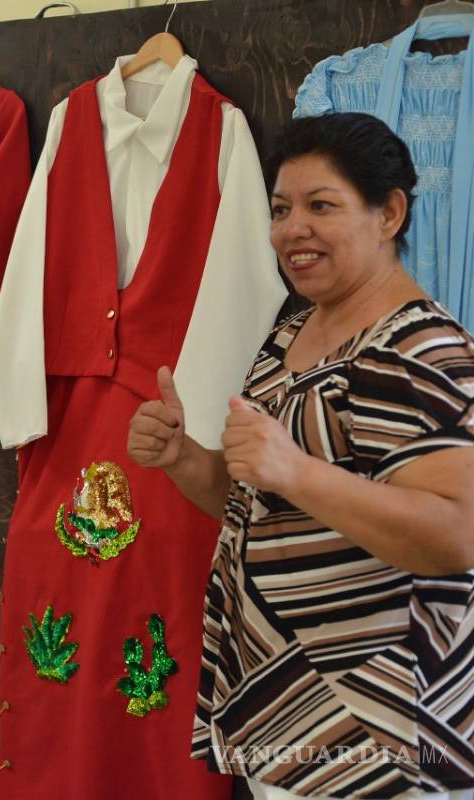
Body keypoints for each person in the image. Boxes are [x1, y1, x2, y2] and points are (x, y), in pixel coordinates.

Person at [128, 113, 474, 798]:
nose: (292, 229)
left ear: (389, 213)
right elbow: (251, 500)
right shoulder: (290, 334)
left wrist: (297, 469)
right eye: (282, 208)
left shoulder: (418, 349)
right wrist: (182, 458)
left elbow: (457, 534)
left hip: (384, 730)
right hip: (285, 706)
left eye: (322, 206)